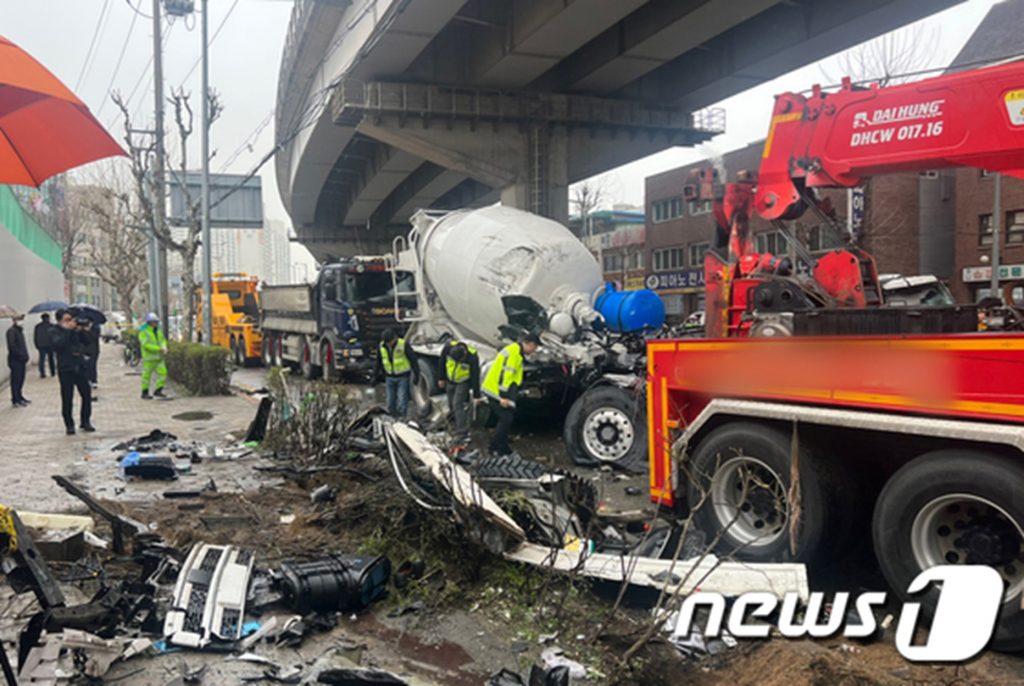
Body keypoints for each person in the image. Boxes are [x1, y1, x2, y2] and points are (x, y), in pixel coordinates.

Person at [481, 333, 540, 457]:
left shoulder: (515, 351)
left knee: (505, 418)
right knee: (506, 418)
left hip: (495, 389)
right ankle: (496, 447)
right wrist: (503, 398)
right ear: (530, 344)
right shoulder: (514, 354)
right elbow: (506, 377)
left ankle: (501, 443)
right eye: (534, 348)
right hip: (496, 391)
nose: (534, 351)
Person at [50, 309, 94, 434]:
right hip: (66, 369)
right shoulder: (54, 331)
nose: (70, 322)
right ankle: (69, 424)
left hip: (80, 367)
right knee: (67, 398)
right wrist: (67, 330)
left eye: (71, 319)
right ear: (59, 321)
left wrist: (81, 331)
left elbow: (87, 341)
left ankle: (85, 421)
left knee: (86, 395)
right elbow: (59, 345)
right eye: (67, 320)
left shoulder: (75, 331)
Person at [437, 339, 479, 445]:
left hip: (463, 382)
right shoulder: (448, 348)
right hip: (450, 380)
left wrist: (476, 395)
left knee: (457, 404)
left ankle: (462, 432)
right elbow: (441, 362)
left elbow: (475, 376)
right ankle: (455, 423)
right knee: (451, 404)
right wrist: (441, 378)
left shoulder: (472, 356)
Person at [375, 328, 419, 418]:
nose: (389, 344)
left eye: (390, 342)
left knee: (402, 400)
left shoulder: (403, 345)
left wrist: (416, 375)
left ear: (394, 338)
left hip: (403, 376)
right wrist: (375, 376)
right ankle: (393, 417)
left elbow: (413, 360)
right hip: (389, 377)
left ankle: (402, 418)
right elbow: (378, 362)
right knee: (390, 401)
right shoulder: (381, 346)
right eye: (387, 342)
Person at [138, 312, 168, 399]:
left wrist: (164, 346)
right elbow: (146, 345)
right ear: (149, 322)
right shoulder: (144, 332)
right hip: (149, 359)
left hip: (159, 358)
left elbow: (162, 340)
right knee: (146, 376)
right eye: (153, 322)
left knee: (163, 373)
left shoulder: (158, 331)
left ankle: (158, 390)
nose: (155, 323)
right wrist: (159, 349)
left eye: (156, 322)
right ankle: (145, 392)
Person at [6, 314, 30, 407]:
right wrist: (20, 355)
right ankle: (15, 399)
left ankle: (20, 396)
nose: (21, 321)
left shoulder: (20, 331)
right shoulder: (11, 332)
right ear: (14, 321)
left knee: (21, 379)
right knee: (16, 380)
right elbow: (12, 346)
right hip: (15, 360)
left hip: (22, 360)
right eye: (19, 319)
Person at [34, 313, 56, 378]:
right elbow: (54, 336)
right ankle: (53, 372)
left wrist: (36, 344)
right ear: (48, 318)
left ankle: (42, 373)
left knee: (42, 359)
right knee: (51, 359)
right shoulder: (52, 326)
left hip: (41, 345)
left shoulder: (37, 326)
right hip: (50, 344)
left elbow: (35, 336)